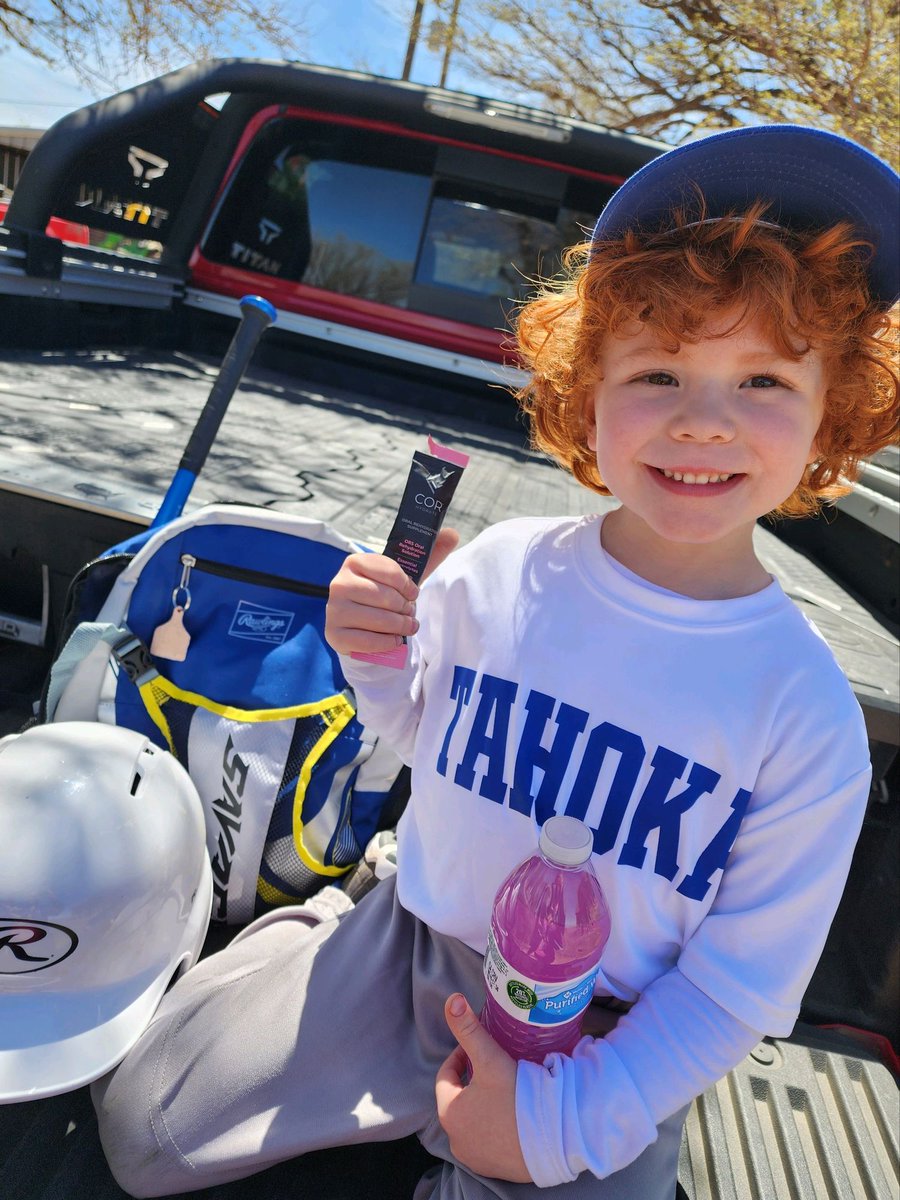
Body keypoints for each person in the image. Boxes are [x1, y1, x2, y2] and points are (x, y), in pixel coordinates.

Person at [93, 125, 898, 1199]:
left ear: (829, 415)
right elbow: (419, 737)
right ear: (587, 394)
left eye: (763, 382)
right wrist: (372, 655)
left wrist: (560, 1126)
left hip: (610, 1034)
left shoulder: (804, 713)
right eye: (658, 370)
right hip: (412, 944)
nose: (704, 423)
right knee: (149, 1137)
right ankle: (316, 932)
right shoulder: (503, 571)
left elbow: (734, 993)